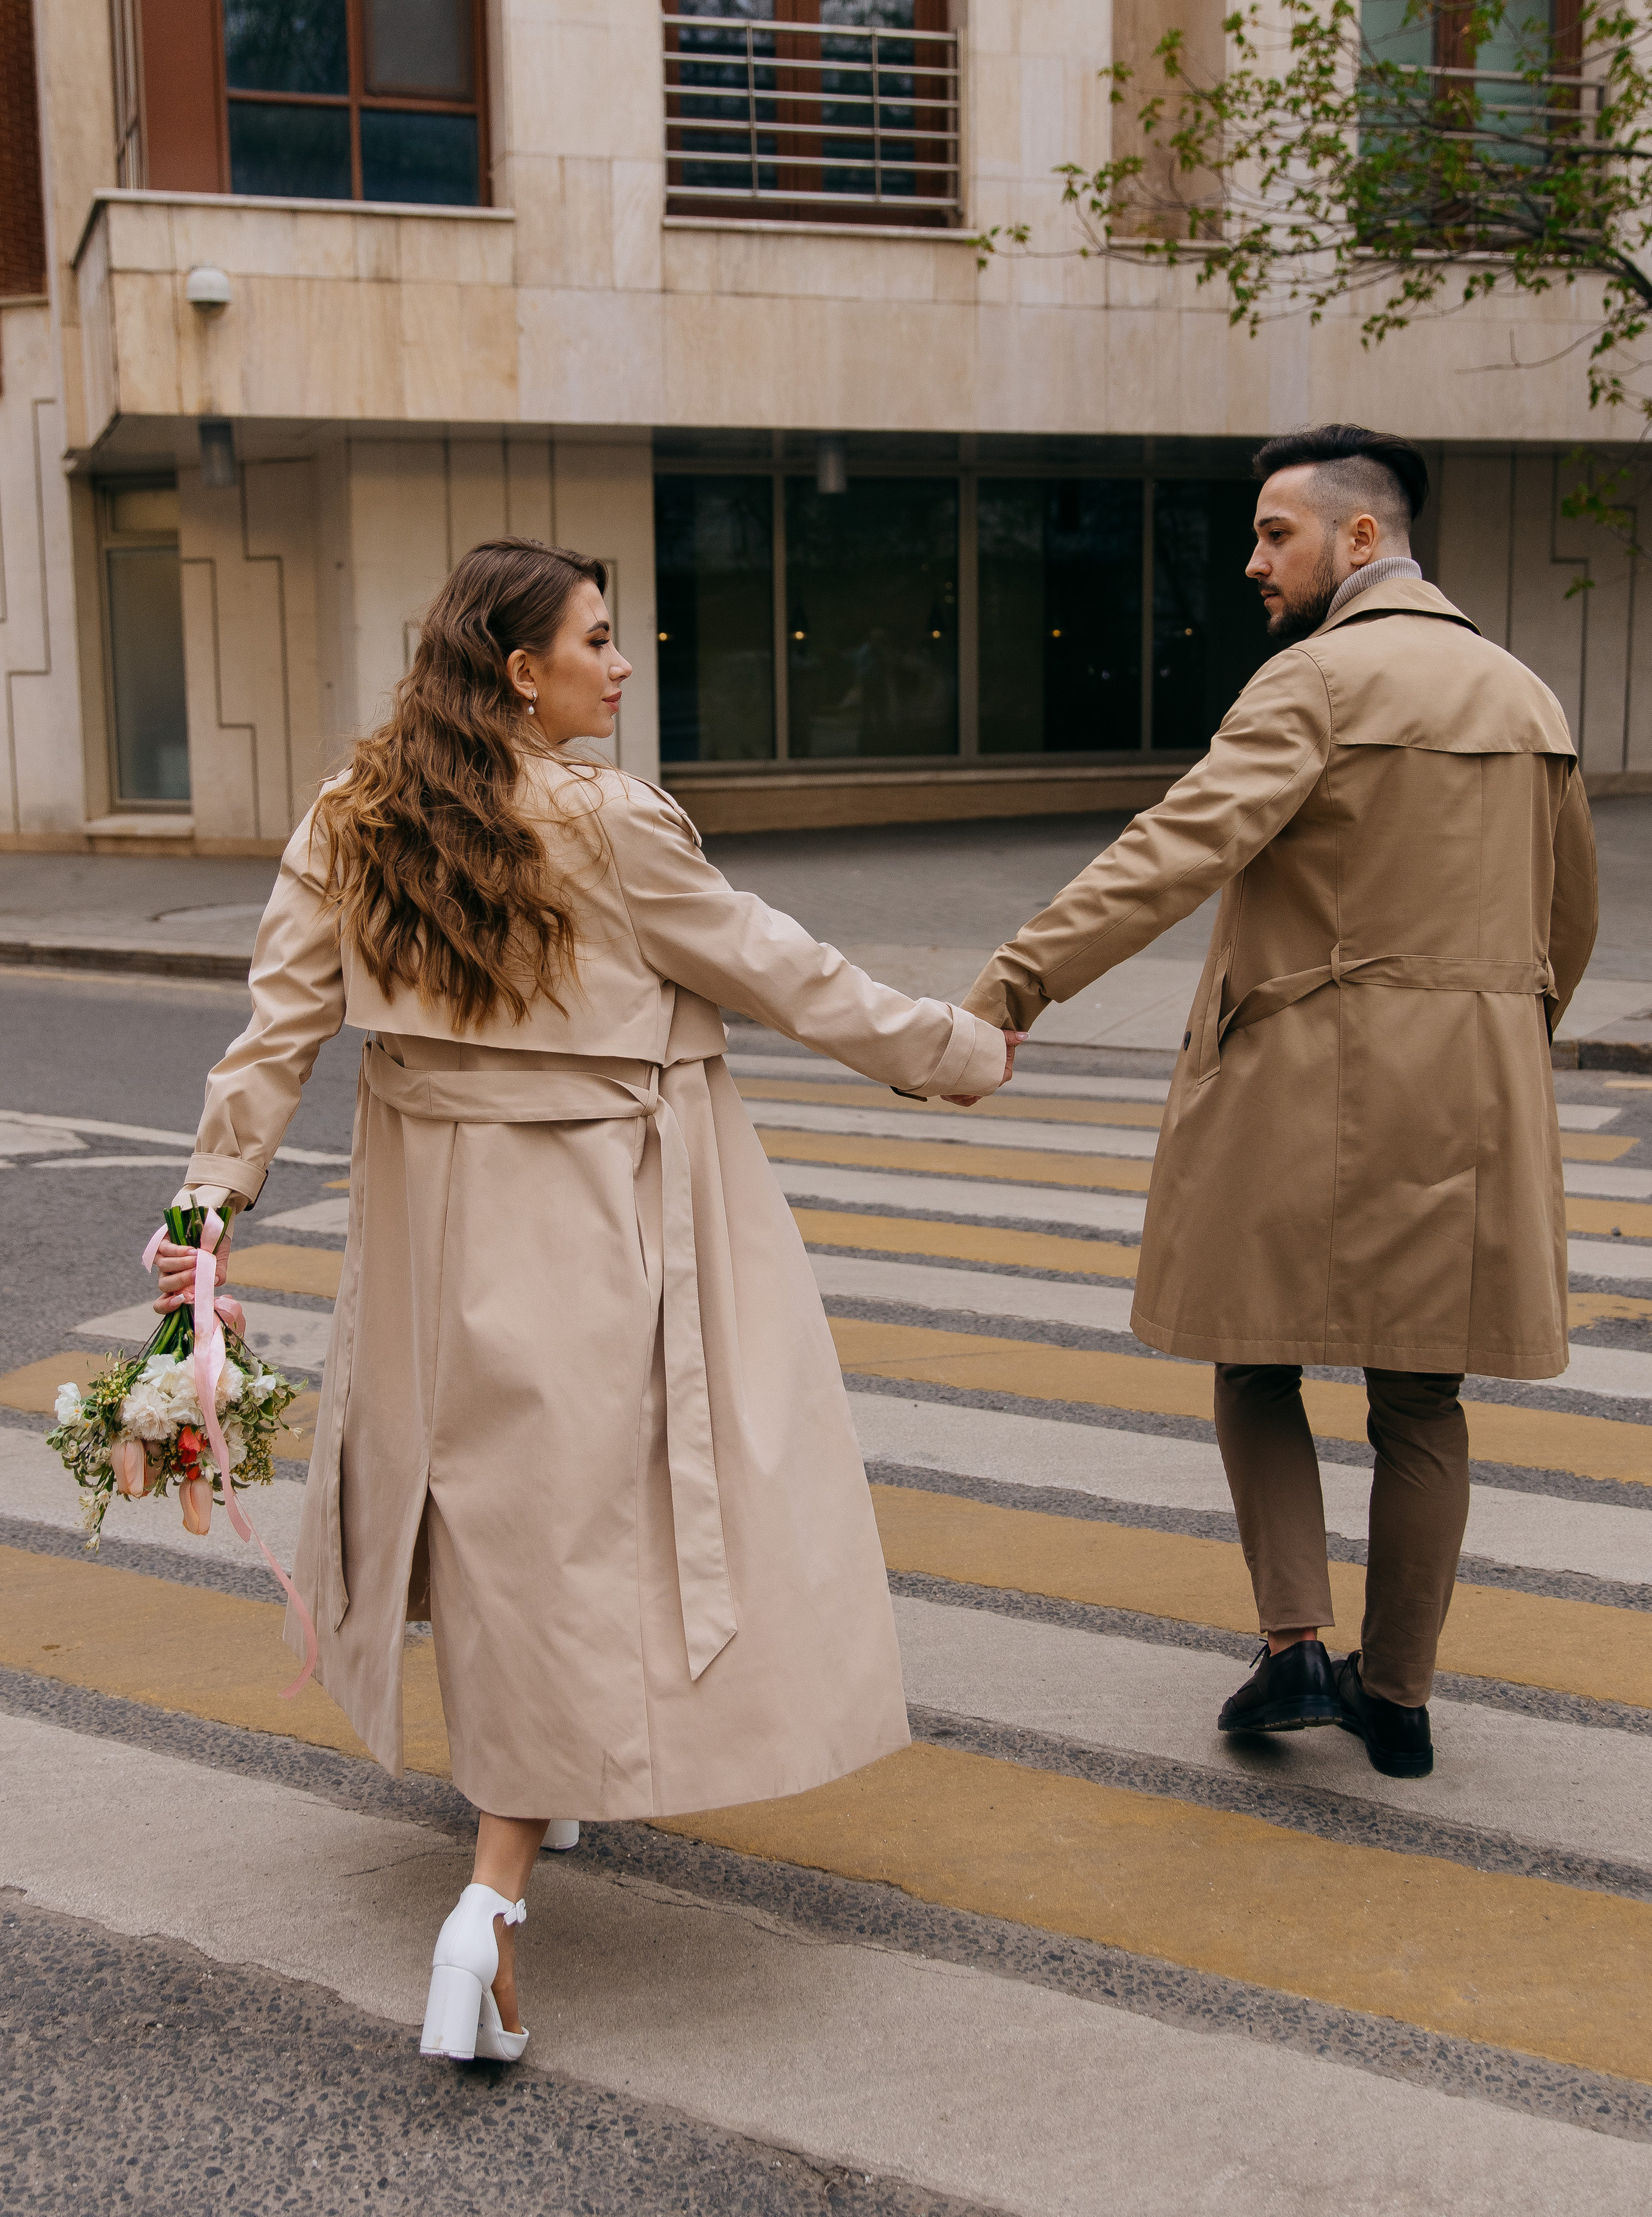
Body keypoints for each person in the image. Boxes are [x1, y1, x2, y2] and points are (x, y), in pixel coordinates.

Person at [154, 537, 1014, 2061]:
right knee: (580, 1537)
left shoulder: (351, 820)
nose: (622, 665)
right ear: (516, 667)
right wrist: (951, 1051)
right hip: (608, 1219)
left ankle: (526, 1806)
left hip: (431, 1235)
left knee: (489, 1520)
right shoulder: (610, 824)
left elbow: (274, 1037)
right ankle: (487, 1907)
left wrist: (205, 1211)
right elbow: (782, 969)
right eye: (598, 640)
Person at [958, 423, 1597, 1780]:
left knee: (1252, 1356)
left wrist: (1008, 989)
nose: (1252, 560)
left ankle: (1293, 1643)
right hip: (1473, 1095)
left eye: (1273, 533)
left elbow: (1170, 852)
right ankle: (1401, 1700)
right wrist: (1493, 1034)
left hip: (1306, 1079)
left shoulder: (1311, 682)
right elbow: (1569, 922)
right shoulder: (1523, 696)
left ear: (1358, 538)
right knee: (1421, 1396)